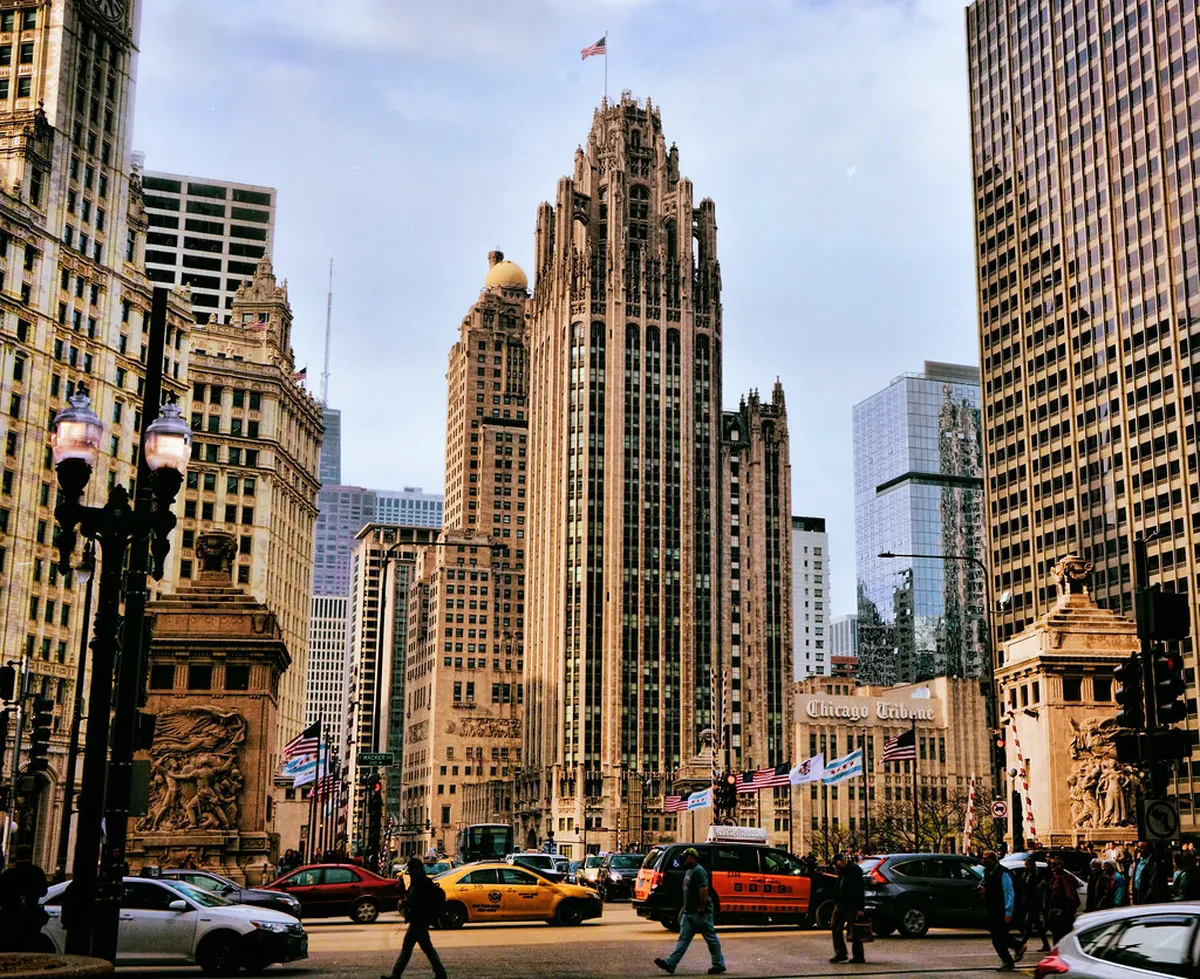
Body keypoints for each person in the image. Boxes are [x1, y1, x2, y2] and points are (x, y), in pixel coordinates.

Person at [654, 848, 725, 976]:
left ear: (693, 857)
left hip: (701, 912)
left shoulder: (699, 871)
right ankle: (670, 963)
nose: (683, 859)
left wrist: (702, 907)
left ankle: (719, 964)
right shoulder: (688, 871)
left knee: (711, 938)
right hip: (689, 912)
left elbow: (703, 889)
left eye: (686, 857)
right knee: (683, 940)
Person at [383, 858, 447, 979]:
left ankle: (396, 974)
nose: (410, 872)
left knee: (407, 947)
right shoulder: (418, 882)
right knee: (427, 948)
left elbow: (417, 902)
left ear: (418, 869)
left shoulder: (422, 884)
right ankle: (440, 973)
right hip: (419, 920)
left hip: (419, 920)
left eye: (412, 869)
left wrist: (406, 901)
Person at [979, 850, 1025, 972]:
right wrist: (983, 889)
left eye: (986, 858)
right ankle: (1016, 947)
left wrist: (1008, 912)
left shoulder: (1003, 873)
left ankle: (1009, 959)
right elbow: (985, 885)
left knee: (997, 937)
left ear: (993, 859)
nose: (983, 861)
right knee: (999, 936)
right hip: (992, 909)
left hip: (1002, 909)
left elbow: (1009, 892)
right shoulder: (987, 872)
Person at [0, 844, 49, 952]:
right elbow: (43, 892)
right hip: (30, 916)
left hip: (9, 917)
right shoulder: (37, 872)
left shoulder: (9, 874)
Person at [829, 853, 866, 965]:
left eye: (836, 863)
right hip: (840, 904)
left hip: (852, 905)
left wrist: (860, 908)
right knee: (835, 927)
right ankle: (840, 953)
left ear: (842, 860)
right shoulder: (842, 871)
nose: (835, 866)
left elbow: (860, 889)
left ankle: (858, 956)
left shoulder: (855, 870)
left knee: (854, 930)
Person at [1017, 857, 1050, 953]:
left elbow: (1033, 889)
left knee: (1030, 924)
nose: (1025, 867)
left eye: (1027, 865)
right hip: (1029, 902)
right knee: (1035, 925)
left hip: (1034, 903)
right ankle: (1045, 944)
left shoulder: (1035, 875)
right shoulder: (1026, 874)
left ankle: (1021, 944)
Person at [1046, 857, 1080, 941]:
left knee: (1063, 938)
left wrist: (1067, 911)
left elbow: (1071, 895)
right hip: (1055, 911)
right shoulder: (1054, 877)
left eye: (1054, 864)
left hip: (1063, 912)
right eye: (1051, 864)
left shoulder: (1066, 877)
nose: (1052, 866)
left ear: (1060, 865)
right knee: (1057, 937)